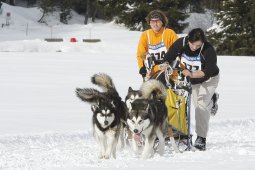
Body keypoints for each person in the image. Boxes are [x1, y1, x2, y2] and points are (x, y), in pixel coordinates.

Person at [162, 28, 220, 151]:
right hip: (190, 80)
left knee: (201, 106)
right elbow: (169, 55)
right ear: (188, 40)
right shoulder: (181, 43)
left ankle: (201, 138)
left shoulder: (208, 50)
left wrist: (191, 74)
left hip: (208, 80)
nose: (194, 47)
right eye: (192, 44)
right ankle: (177, 130)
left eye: (198, 45)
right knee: (181, 102)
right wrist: (165, 63)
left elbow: (208, 70)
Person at [136, 10, 178, 83]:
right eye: (152, 22)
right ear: (149, 23)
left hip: (168, 70)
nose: (155, 24)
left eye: (157, 21)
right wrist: (142, 67)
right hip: (152, 70)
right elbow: (141, 54)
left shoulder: (169, 33)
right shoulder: (145, 35)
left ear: (162, 22)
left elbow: (177, 51)